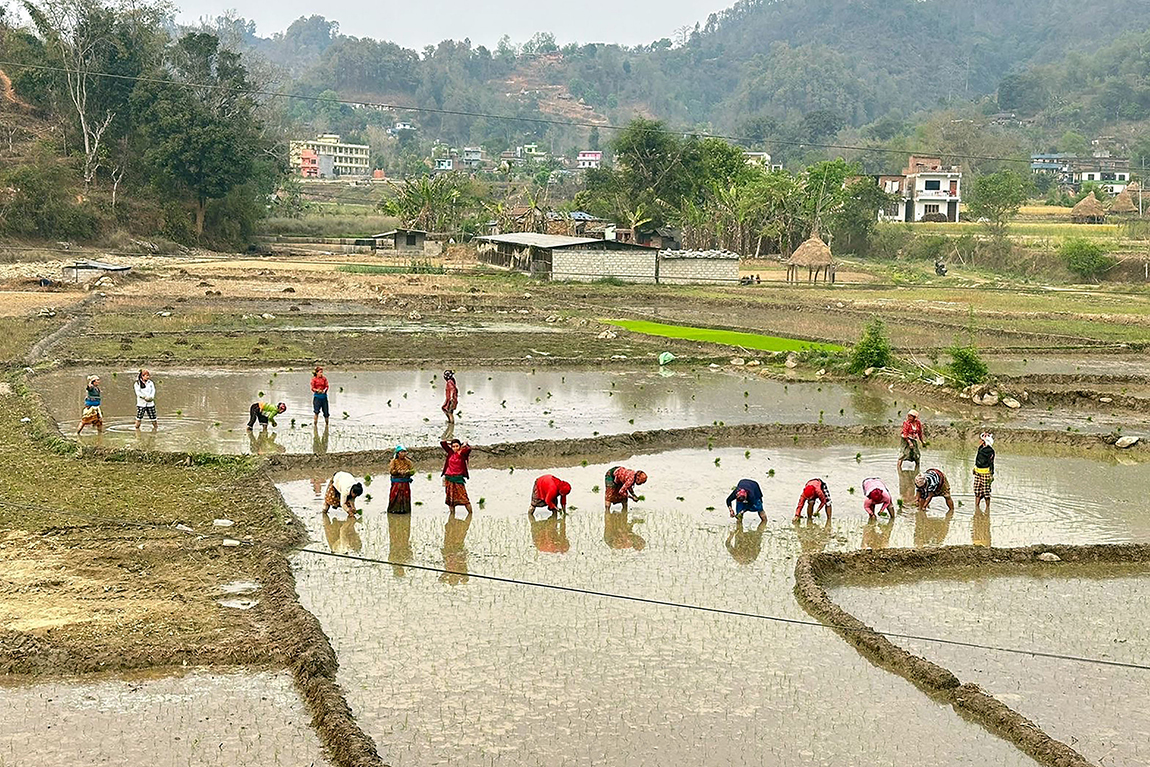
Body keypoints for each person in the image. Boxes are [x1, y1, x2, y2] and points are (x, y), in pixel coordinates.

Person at [440, 438, 473, 513]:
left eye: (457, 446)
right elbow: (442, 443)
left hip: (458, 478)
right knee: (450, 499)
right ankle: (452, 514)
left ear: (460, 446)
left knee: (464, 498)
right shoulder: (450, 452)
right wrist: (449, 442)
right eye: (453, 446)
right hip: (448, 478)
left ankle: (470, 514)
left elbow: (468, 449)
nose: (455, 448)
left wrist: (465, 444)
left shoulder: (462, 453)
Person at [388, 445, 415, 514]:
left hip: (405, 483)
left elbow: (412, 471)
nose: (404, 454)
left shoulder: (408, 462)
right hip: (396, 483)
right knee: (395, 495)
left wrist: (407, 472)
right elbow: (391, 471)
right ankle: (394, 510)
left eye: (405, 452)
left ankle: (405, 510)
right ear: (398, 453)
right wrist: (398, 472)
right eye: (402, 452)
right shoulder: (393, 462)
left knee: (405, 496)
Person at [973, 432, 995, 512]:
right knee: (977, 490)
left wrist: (991, 474)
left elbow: (991, 462)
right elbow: (977, 459)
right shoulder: (980, 448)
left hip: (986, 473)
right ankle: (977, 507)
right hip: (978, 472)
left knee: (986, 492)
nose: (979, 441)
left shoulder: (989, 451)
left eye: (981, 440)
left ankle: (987, 507)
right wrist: (975, 468)